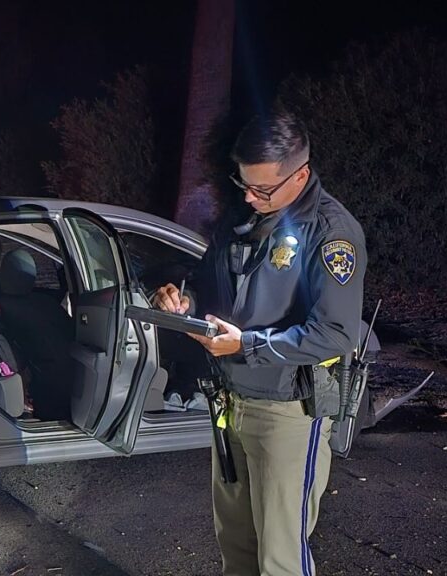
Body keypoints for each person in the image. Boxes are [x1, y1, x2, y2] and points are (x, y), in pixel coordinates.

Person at [154, 106, 366, 576]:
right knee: (237, 550)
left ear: (301, 175)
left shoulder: (332, 234)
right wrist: (183, 299)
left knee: (280, 560)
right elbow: (208, 281)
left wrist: (247, 345)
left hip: (289, 412)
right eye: (243, 184)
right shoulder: (239, 220)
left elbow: (335, 333)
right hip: (231, 404)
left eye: (263, 189)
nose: (250, 197)